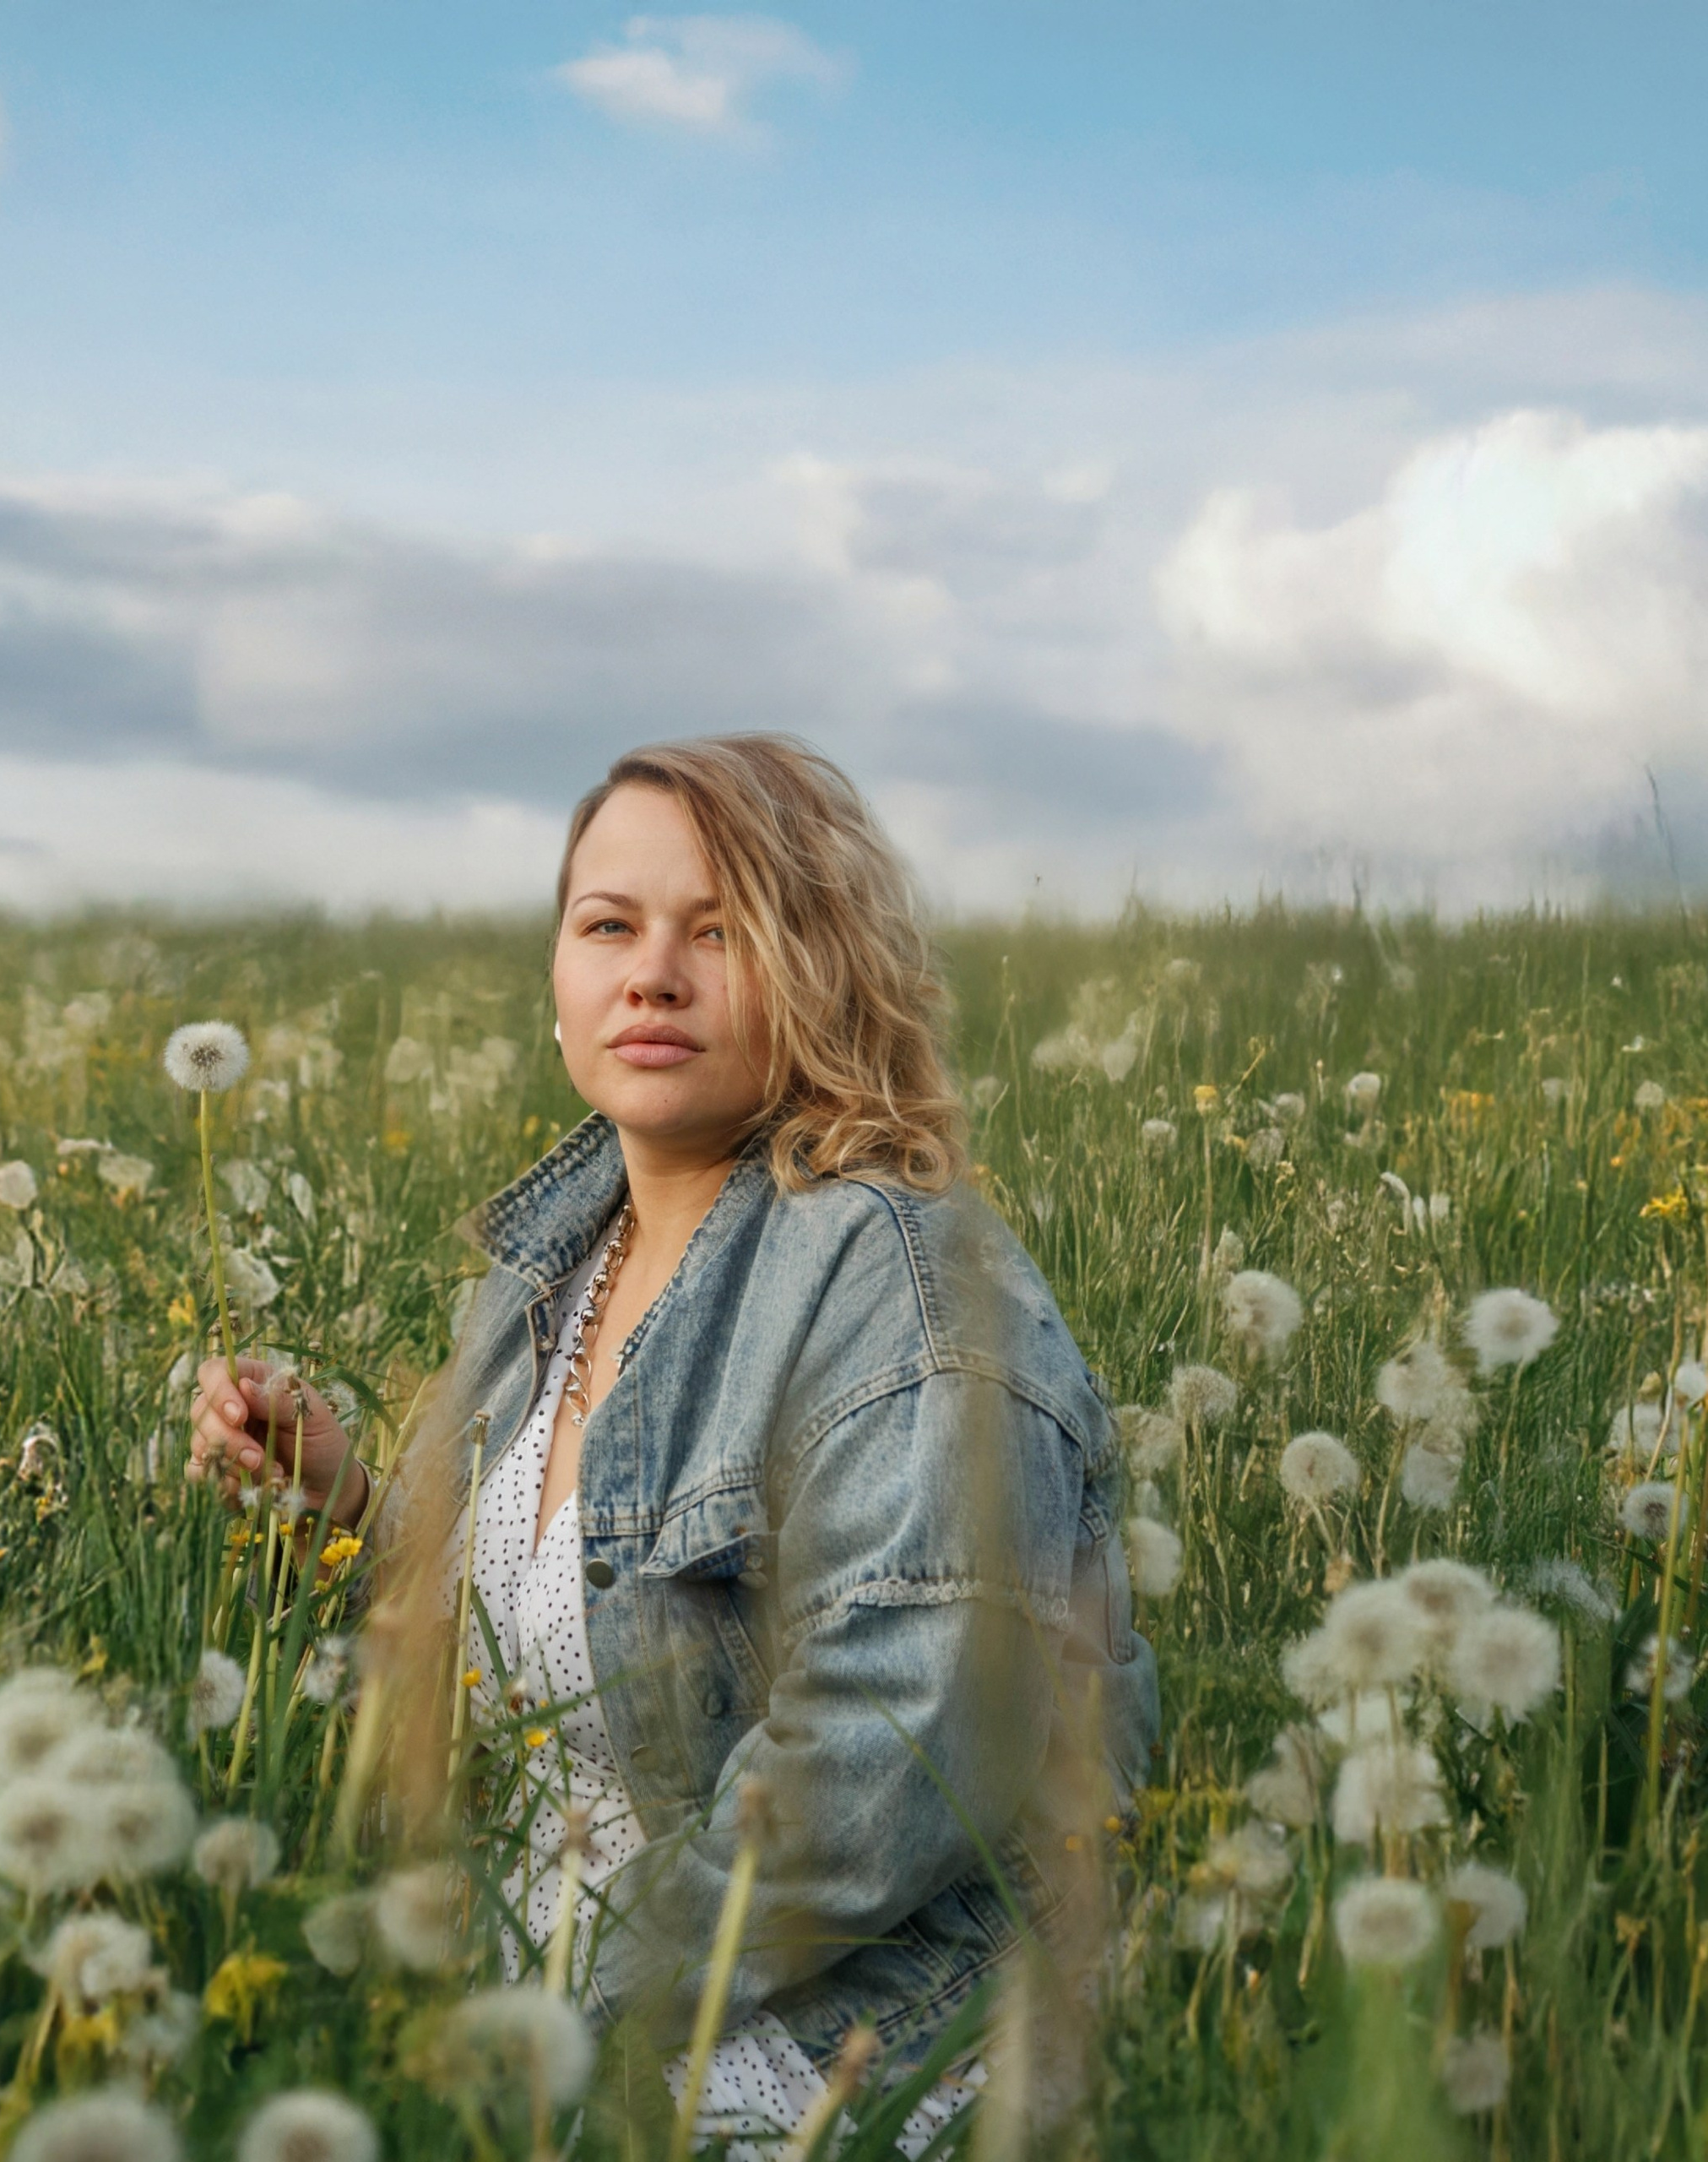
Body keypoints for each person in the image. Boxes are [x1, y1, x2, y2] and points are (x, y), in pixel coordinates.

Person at [188, 733, 1158, 2145]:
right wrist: (359, 1508)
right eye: (609, 926)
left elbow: (891, 1760)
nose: (653, 973)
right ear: (558, 985)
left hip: (825, 2050)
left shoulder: (901, 1279)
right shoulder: (555, 1270)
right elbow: (582, 1632)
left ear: (825, 966)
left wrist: (564, 2010)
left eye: (722, 930)